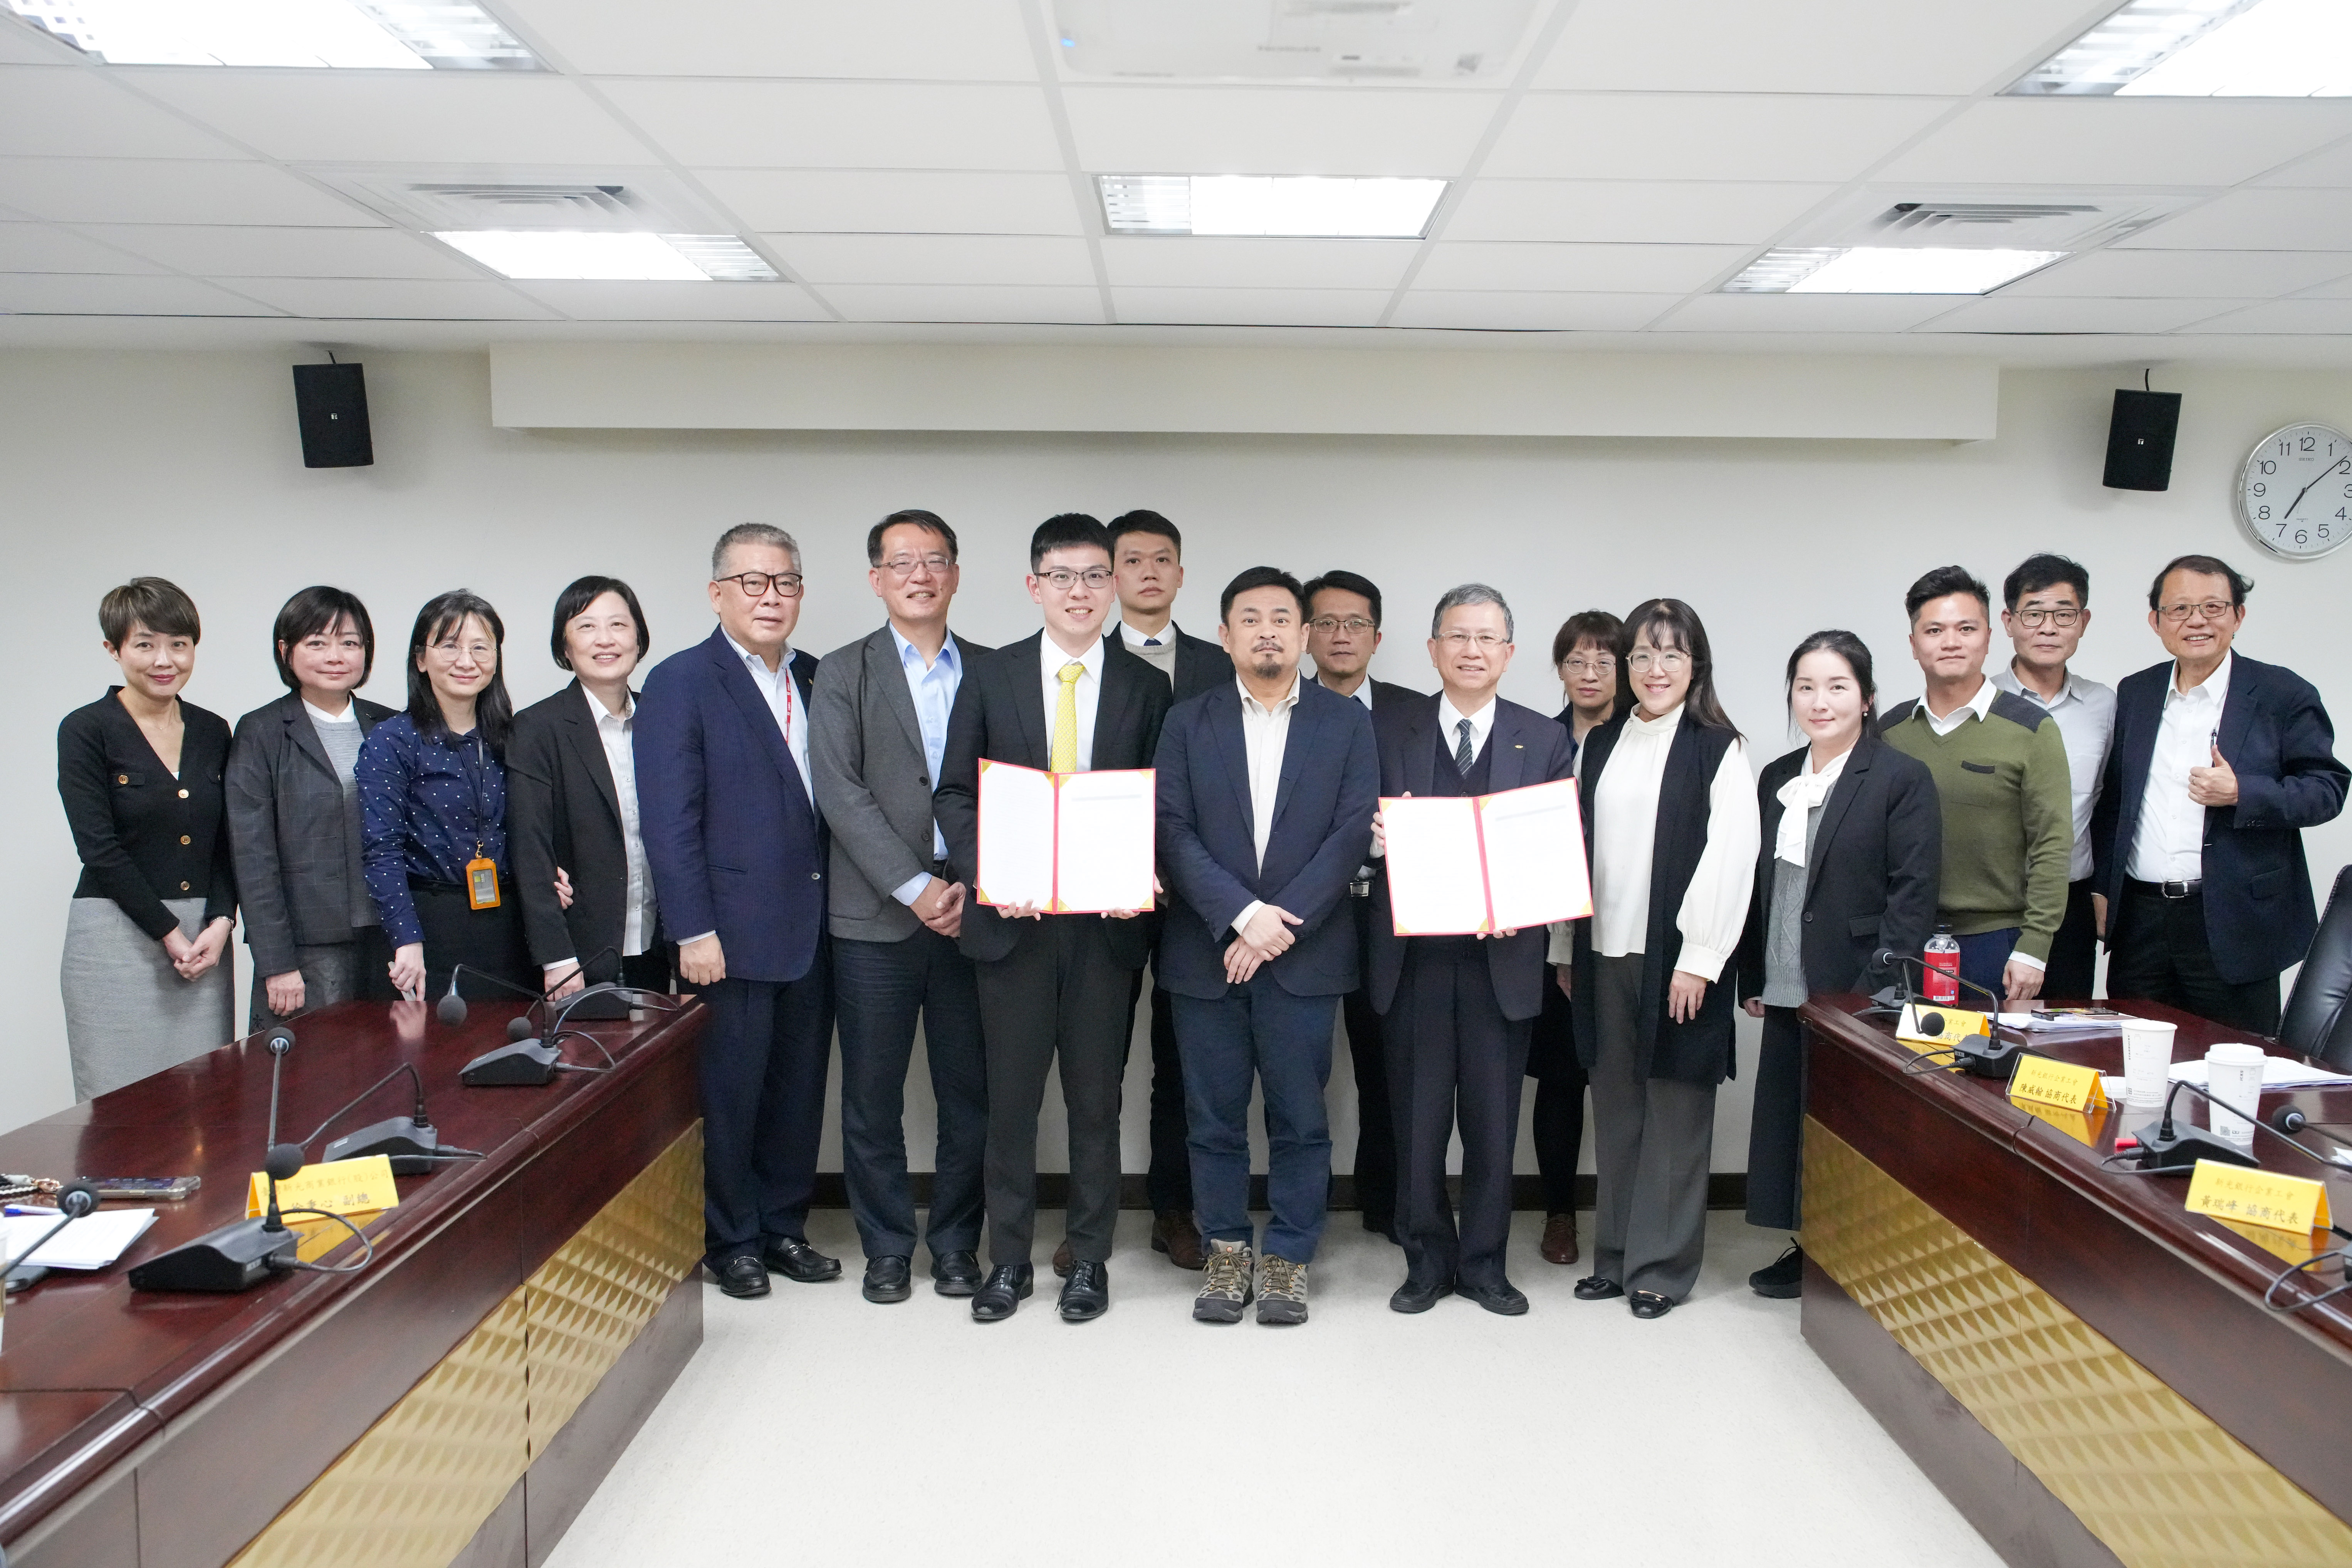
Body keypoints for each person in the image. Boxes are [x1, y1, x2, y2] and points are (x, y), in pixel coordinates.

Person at [935, 514, 1171, 1323]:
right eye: (1063, 577)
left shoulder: (1146, 686)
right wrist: (990, 875)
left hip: (1105, 929)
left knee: (1096, 1104)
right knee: (1010, 1104)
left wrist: (1143, 873)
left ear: (1114, 586)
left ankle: (1090, 1260)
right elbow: (954, 794)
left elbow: (1162, 802)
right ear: (1034, 586)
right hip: (1014, 927)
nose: (1080, 592)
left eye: (1095, 576)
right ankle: (1007, 1261)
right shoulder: (990, 675)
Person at [1156, 567, 1378, 1326]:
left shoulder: (1345, 723)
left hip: (1303, 957)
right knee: (1211, 1118)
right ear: (1224, 636)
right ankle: (1225, 1252)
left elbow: (1350, 832)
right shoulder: (1187, 722)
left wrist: (1276, 924)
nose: (1267, 632)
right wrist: (1242, 915)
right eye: (1249, 619)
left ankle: (1287, 1258)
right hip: (1207, 954)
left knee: (1300, 1119)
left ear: (1305, 634)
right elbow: (1171, 830)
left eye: (1282, 618)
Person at [636, 524, 836, 1302]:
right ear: (717, 593)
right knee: (730, 1094)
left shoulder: (817, 676)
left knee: (798, 1090)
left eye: (785, 582)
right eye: (752, 582)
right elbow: (670, 820)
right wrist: (693, 929)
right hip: (725, 933)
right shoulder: (682, 681)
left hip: (814, 926)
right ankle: (731, 1241)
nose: (770, 597)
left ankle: (784, 1227)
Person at [1367, 584, 1575, 1316]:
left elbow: (1560, 846)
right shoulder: (1387, 731)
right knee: (1417, 1126)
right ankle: (1425, 1262)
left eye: (1487, 638)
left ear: (1509, 654)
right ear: (1433, 649)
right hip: (1414, 963)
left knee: (1492, 1125)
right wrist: (1375, 841)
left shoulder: (1543, 740)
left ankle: (1486, 1264)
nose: (1472, 650)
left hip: (1501, 964)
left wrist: (1523, 899)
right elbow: (1348, 827)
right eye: (1457, 636)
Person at [811, 510, 992, 1305]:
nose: (920, 575)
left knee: (969, 1093)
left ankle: (956, 1244)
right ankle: (886, 1246)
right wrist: (916, 888)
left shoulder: (991, 670)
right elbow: (839, 793)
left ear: (955, 574)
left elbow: (1010, 788)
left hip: (974, 912)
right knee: (871, 1095)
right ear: (877, 579)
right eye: (902, 562)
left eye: (935, 560)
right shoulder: (841, 672)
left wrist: (973, 884)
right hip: (874, 918)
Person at [1564, 598, 1758, 1320]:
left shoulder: (1719, 747)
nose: (1654, 669)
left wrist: (1700, 959)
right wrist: (1563, 948)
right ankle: (1615, 1258)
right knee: (1616, 1108)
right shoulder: (1600, 743)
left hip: (1677, 959)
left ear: (1695, 665)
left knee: (1675, 1109)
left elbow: (1732, 856)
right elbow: (1575, 850)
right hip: (1602, 952)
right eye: (1641, 654)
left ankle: (1662, 1268)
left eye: (1671, 654)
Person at [1736, 631, 1939, 1298]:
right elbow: (1762, 888)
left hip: (1856, 985)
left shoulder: (1900, 778)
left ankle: (1853, 1258)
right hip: (1786, 979)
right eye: (1805, 687)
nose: (1819, 701)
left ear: (1867, 697)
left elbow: (1913, 897)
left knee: (1850, 1128)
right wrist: (1754, 975)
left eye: (1836, 687)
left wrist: (1871, 991)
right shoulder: (1778, 777)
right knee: (1794, 1121)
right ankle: (1809, 1249)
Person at [2092, 554, 2347, 1036]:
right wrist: (2104, 885)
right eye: (2180, 609)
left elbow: (2327, 789)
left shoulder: (2282, 693)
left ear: (2238, 616)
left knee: (2236, 1060)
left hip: (2233, 920)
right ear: (2156, 621)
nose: (2197, 621)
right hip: (2141, 921)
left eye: (2213, 607)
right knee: (2133, 1054)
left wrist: (2242, 792)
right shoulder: (2137, 692)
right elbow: (2115, 801)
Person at [1095, 508, 1223, 1274]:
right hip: (1102, 892)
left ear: (1180, 573)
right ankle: (1092, 1215)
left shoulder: (1219, 663)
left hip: (1194, 896)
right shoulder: (1081, 656)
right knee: (1098, 1061)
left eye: (1162, 559)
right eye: (1132, 560)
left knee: (1183, 1063)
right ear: (1111, 575)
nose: (1148, 572)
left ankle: (1176, 1209)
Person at [58, 577, 236, 1100]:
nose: (165, 660)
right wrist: (168, 931)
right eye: (145, 644)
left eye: (178, 644)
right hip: (115, 937)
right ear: (113, 649)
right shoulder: (86, 728)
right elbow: (97, 847)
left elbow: (229, 840)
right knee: (117, 1105)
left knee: (206, 1102)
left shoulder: (213, 730)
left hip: (203, 940)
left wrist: (222, 920)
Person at [1878, 565, 2071, 1006]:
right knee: (1896, 1051)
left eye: (1966, 628)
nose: (1951, 641)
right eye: (1934, 630)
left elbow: (2053, 842)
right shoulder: (1890, 731)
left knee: (1989, 1054)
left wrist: (2035, 944)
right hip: (1906, 938)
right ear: (1914, 644)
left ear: (1988, 637)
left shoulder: (2031, 729)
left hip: (1997, 942)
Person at [1303, 569, 1421, 1244]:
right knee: (1301, 1070)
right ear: (1306, 634)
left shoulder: (1416, 713)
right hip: (1308, 917)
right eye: (1326, 623)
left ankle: (1389, 1204)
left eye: (1355, 624)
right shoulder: (1283, 707)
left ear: (1377, 637)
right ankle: (1303, 1211)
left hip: (1390, 917)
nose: (1341, 635)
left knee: (1390, 1068)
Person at [227, 586, 396, 1032]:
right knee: (315, 1069)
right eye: (317, 642)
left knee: (395, 1063)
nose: (335, 656)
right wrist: (276, 962)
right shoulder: (262, 731)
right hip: (308, 947)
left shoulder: (392, 724)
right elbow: (252, 855)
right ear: (286, 650)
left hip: (391, 937)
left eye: (350, 642)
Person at [358, 591, 533, 1005]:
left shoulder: (516, 737)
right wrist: (406, 939)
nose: (466, 661)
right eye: (450, 646)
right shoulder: (393, 740)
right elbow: (381, 849)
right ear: (421, 659)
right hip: (427, 925)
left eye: (480, 648)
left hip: (511, 925)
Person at [507, 576, 668, 1005]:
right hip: (580, 951)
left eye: (618, 625)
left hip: (660, 944)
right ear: (565, 647)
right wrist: (557, 957)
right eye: (586, 627)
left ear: (638, 638)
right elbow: (530, 847)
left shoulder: (664, 719)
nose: (605, 639)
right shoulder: (537, 727)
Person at [1529, 609, 1623, 1269]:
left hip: (1627, 931)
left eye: (1604, 661)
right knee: (1561, 1079)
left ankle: (1625, 1214)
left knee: (1623, 1080)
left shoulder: (1646, 739)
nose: (1589, 673)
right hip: (1552, 936)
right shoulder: (1539, 741)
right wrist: (1561, 948)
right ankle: (1559, 1212)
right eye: (1575, 661)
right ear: (1559, 669)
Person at [1989, 554, 2115, 1001]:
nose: (2048, 628)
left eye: (2064, 615)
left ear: (2083, 622)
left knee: (2064, 1032)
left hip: (2070, 903)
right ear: (2009, 621)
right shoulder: (1979, 703)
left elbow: (2110, 803)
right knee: (1981, 1030)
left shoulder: (2105, 705)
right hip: (1992, 905)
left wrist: (2103, 890)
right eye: (2034, 614)